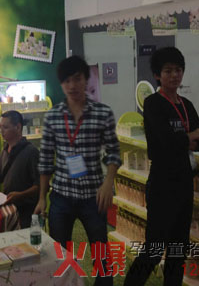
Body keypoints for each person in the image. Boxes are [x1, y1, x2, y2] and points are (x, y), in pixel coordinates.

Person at [124, 47, 199, 286]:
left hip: (184, 184)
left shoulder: (186, 105)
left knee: (178, 250)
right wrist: (190, 136)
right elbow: (164, 142)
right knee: (154, 249)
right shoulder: (153, 103)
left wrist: (183, 140)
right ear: (157, 75)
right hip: (162, 185)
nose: (174, 75)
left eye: (178, 70)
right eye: (168, 70)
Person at [34, 55, 121, 286]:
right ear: (61, 84)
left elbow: (113, 152)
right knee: (59, 254)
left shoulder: (102, 113)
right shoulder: (53, 116)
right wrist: (42, 197)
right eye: (67, 81)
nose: (72, 85)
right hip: (61, 196)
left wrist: (108, 183)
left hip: (94, 196)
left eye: (77, 79)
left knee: (101, 254)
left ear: (86, 79)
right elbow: (45, 160)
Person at [0, 110, 39, 228]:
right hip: (9, 210)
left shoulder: (31, 152)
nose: (1, 131)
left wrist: (20, 195)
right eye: (0, 127)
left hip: (27, 212)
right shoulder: (5, 150)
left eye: (5, 127)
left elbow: (39, 186)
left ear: (18, 127)